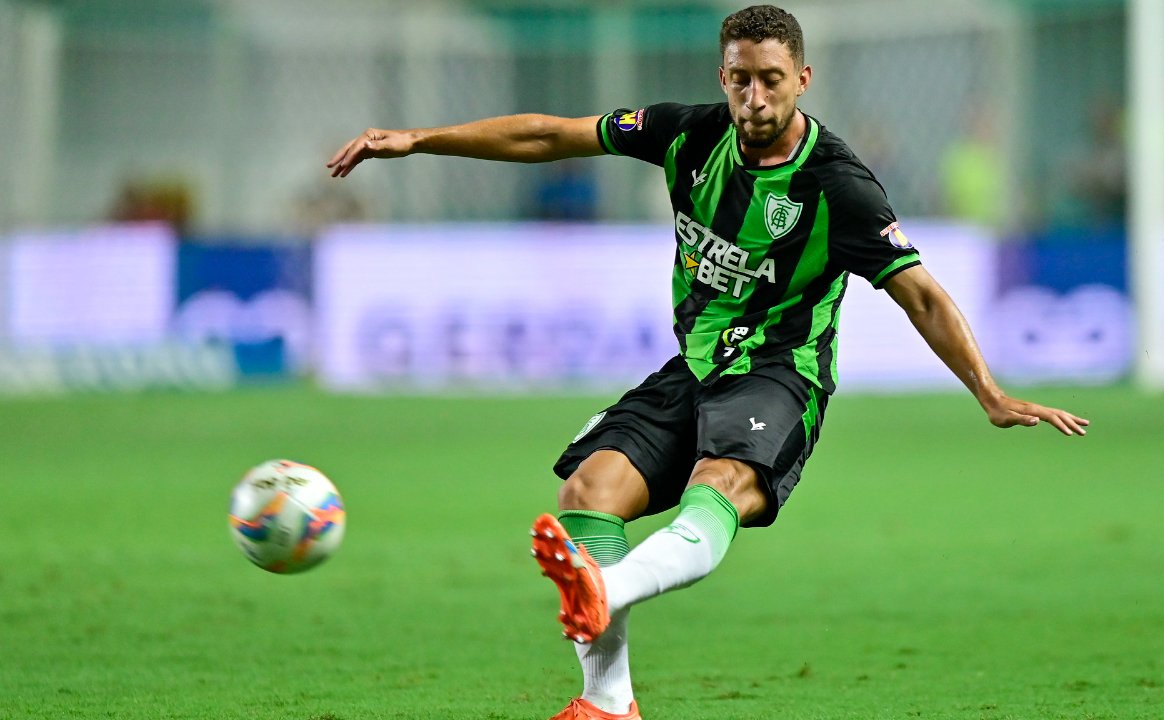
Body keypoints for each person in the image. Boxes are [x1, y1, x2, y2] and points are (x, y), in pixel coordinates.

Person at [327, 6, 1090, 719]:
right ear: (723, 78)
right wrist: (419, 139)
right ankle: (607, 703)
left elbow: (920, 294)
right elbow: (548, 136)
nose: (753, 97)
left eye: (770, 79)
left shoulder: (838, 186)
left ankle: (606, 586)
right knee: (588, 491)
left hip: (782, 373)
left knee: (718, 482)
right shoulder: (687, 136)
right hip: (694, 366)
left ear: (802, 80)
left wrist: (990, 393)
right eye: (738, 79)